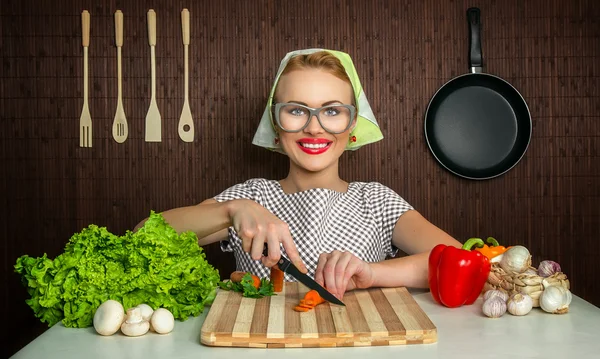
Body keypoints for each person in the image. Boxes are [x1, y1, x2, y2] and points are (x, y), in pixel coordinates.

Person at [134, 48, 462, 300]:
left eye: (332, 111)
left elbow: (461, 261)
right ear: (276, 127)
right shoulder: (251, 198)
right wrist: (229, 211)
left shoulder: (374, 200)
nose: (314, 127)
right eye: (296, 110)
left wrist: (372, 274)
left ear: (351, 128)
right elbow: (144, 235)